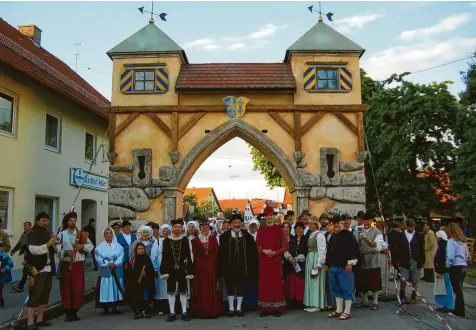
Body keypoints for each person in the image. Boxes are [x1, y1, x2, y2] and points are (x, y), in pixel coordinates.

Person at [23, 212, 60, 330]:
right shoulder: (32, 234)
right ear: (38, 221)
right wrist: (48, 244)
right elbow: (33, 250)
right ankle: (30, 322)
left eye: (47, 220)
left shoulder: (48, 233)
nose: (46, 222)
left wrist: (54, 243)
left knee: (45, 295)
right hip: (38, 268)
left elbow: (57, 249)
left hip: (49, 268)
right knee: (35, 295)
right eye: (43, 220)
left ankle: (40, 319)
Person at [219, 213, 258, 317]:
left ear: (241, 223)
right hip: (229, 267)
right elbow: (221, 254)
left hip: (243, 267)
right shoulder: (224, 237)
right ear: (231, 224)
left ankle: (239, 308)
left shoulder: (247, 237)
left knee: (241, 287)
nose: (237, 224)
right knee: (230, 287)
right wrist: (222, 269)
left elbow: (252, 254)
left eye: (238, 222)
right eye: (235, 222)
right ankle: (231, 308)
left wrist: (252, 268)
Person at [57, 212, 94, 321]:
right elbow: (56, 249)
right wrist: (65, 252)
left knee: (78, 289)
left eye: (74, 221)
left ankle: (75, 310)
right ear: (67, 222)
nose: (73, 222)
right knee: (66, 289)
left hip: (77, 264)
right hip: (66, 264)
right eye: (71, 221)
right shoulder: (62, 234)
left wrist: (82, 245)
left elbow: (90, 246)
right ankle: (68, 312)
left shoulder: (81, 234)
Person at [256, 205, 288, 317]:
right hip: (264, 261)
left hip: (275, 260)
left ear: (273, 216)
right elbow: (257, 246)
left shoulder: (279, 229)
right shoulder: (261, 230)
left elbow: (285, 246)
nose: (269, 217)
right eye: (266, 215)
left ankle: (277, 308)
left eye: (270, 215)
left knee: (275, 283)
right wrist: (264, 251)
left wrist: (275, 253)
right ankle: (265, 308)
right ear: (264, 217)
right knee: (264, 283)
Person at [160, 219, 194, 322]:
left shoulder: (185, 240)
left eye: (179, 227)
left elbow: (188, 255)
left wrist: (189, 271)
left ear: (182, 228)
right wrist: (164, 271)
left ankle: (184, 312)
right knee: (171, 292)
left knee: (183, 291)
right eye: (175, 227)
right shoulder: (166, 241)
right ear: (172, 228)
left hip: (182, 269)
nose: (177, 228)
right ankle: (172, 313)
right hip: (170, 270)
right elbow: (164, 256)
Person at [326, 216, 359, 320]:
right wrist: (327, 263)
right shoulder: (333, 236)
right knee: (335, 288)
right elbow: (329, 251)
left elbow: (353, 250)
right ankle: (339, 310)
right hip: (333, 267)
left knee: (346, 288)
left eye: (338, 222)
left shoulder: (349, 236)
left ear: (343, 223)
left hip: (345, 267)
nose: (336, 225)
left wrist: (350, 263)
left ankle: (347, 311)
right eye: (334, 223)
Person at [190, 218, 222, 318]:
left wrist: (212, 263)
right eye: (202, 227)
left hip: (211, 268)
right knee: (200, 289)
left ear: (209, 228)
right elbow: (193, 255)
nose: (204, 228)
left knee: (211, 289)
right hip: (199, 269)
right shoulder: (194, 240)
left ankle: (212, 311)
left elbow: (217, 253)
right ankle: (201, 311)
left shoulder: (213, 239)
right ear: (199, 228)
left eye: (206, 227)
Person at [354, 213, 384, 310]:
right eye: (364, 220)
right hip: (362, 258)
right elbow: (355, 242)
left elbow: (378, 246)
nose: (366, 222)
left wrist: (368, 240)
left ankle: (375, 301)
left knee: (374, 280)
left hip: (372, 257)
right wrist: (358, 238)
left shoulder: (377, 231)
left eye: (368, 220)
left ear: (371, 221)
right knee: (362, 280)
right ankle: (365, 300)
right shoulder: (359, 229)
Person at [394, 218, 425, 304]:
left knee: (415, 279)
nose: (412, 228)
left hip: (416, 260)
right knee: (404, 279)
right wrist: (396, 260)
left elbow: (422, 250)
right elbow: (397, 249)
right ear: (406, 227)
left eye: (413, 227)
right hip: (404, 260)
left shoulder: (419, 236)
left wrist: (422, 261)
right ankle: (402, 295)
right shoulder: (401, 235)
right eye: (410, 227)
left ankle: (413, 296)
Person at [95, 228, 124, 315]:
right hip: (106, 270)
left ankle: (115, 307)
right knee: (105, 288)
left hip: (116, 269)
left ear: (112, 235)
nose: (108, 235)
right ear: (104, 235)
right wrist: (107, 264)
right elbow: (99, 258)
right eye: (106, 233)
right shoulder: (100, 247)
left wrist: (115, 263)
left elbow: (121, 256)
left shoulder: (118, 246)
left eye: (110, 233)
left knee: (115, 287)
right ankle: (105, 308)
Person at [125, 243, 155, 319]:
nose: (141, 250)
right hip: (135, 281)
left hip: (146, 281)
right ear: (136, 250)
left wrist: (146, 273)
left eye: (142, 249)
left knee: (145, 296)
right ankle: (137, 311)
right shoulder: (133, 259)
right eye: (139, 249)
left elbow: (151, 269)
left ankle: (145, 310)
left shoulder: (147, 258)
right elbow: (130, 271)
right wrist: (138, 276)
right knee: (135, 295)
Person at [303, 216, 327, 312]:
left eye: (312, 224)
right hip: (310, 257)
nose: (310, 225)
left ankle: (317, 304)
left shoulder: (319, 235)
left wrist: (319, 264)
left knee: (316, 281)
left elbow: (322, 250)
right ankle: (311, 303)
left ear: (316, 224)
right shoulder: (311, 234)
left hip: (316, 258)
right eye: (309, 224)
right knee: (310, 281)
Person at [446, 223, 469, 318]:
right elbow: (467, 255)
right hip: (464, 266)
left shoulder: (451, 241)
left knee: (457, 290)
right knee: (459, 289)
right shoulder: (463, 242)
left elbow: (450, 256)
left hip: (455, 266)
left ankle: (459, 312)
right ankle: (458, 309)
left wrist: (447, 265)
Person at [284, 222, 308, 309]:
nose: (298, 230)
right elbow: (286, 249)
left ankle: (301, 301)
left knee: (300, 284)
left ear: (303, 229)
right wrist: (290, 258)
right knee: (291, 283)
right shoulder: (293, 239)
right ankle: (292, 301)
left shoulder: (306, 239)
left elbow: (306, 252)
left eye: (300, 228)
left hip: (301, 265)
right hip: (291, 265)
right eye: (297, 229)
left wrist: (297, 259)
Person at [151, 224, 172, 314]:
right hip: (160, 267)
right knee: (160, 287)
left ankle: (171, 307)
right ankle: (160, 308)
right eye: (164, 230)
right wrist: (155, 268)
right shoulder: (158, 242)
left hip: (170, 267)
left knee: (170, 286)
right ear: (161, 232)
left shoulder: (173, 241)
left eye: (167, 230)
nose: (166, 232)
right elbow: (153, 256)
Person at [433, 230, 453, 313]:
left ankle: (448, 305)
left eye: (436, 237)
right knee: (445, 288)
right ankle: (445, 304)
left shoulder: (443, 247)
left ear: (440, 237)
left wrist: (440, 271)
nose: (436, 238)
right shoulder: (443, 245)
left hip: (444, 271)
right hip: (444, 270)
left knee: (446, 288)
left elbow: (443, 260)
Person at [11, 221, 32, 292]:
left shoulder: (32, 234)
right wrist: (13, 251)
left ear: (30, 226)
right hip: (26, 255)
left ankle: (21, 286)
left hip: (32, 256)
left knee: (27, 270)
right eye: (24, 226)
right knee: (27, 270)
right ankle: (21, 286)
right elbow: (20, 243)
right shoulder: (24, 234)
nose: (24, 227)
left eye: (26, 226)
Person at [0, 241, 14, 307]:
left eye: (1, 247)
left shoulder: (4, 256)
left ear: (2, 248)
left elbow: (11, 264)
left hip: (1, 276)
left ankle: (1, 303)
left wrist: (5, 268)